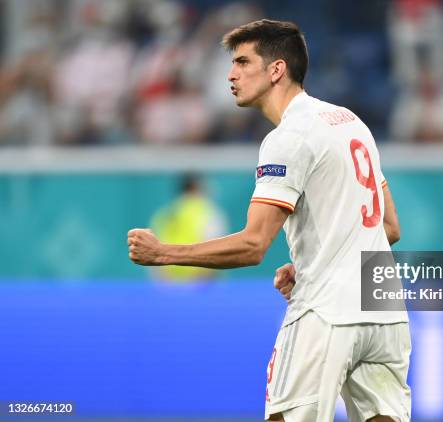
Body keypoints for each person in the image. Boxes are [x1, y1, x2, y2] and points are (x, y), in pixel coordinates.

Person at [127, 19, 410, 421]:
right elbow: (389, 227)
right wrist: (316, 257)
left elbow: (253, 244)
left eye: (243, 61)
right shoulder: (350, 122)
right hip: (384, 309)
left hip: (326, 310)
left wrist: (164, 253)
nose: (231, 73)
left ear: (277, 69)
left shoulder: (288, 138)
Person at [150, 174, 228, 281]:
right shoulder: (208, 212)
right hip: (200, 281)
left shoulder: (165, 213)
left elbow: (152, 250)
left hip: (170, 282)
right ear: (197, 188)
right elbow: (219, 251)